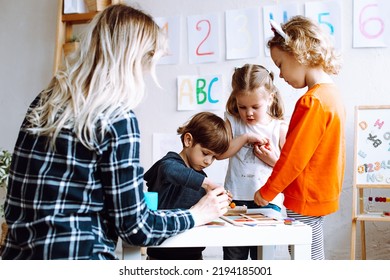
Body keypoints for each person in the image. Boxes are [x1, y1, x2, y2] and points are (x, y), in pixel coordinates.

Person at [1, 4, 229, 260]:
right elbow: (135, 229)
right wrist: (196, 215)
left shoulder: (44, 101)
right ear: (133, 60)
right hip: (79, 259)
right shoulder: (118, 117)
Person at [254, 16, 345, 260]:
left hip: (305, 196)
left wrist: (267, 192)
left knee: (307, 260)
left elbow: (294, 156)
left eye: (280, 64)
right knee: (314, 254)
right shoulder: (332, 95)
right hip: (321, 193)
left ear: (298, 54)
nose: (281, 75)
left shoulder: (312, 101)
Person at [217, 64, 287, 260]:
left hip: (268, 203)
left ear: (270, 98)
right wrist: (245, 138)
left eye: (255, 107)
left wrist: (271, 159)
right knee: (233, 261)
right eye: (242, 107)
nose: (248, 113)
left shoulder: (278, 127)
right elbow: (221, 154)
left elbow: (289, 169)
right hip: (235, 199)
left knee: (262, 261)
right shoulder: (232, 121)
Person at [145, 112, 231, 260]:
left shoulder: (200, 177)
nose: (208, 161)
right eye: (205, 153)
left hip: (193, 254)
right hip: (162, 255)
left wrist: (218, 199)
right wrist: (207, 183)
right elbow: (169, 170)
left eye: (214, 157)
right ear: (188, 140)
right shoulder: (169, 164)